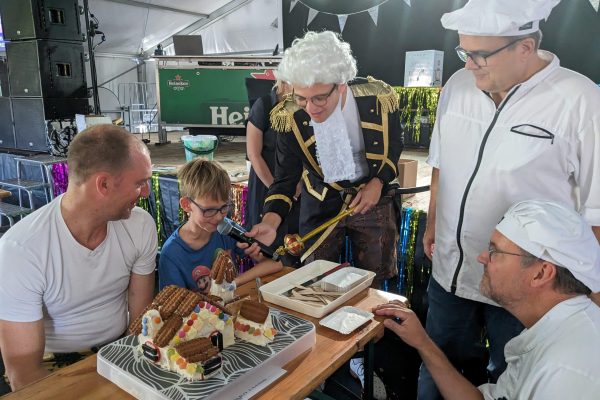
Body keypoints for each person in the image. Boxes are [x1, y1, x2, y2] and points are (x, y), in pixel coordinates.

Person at [421, 0, 600, 396]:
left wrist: (590, 303)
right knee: (438, 371)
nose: (469, 65)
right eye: (464, 52)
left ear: (526, 47)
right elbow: (441, 162)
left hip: (526, 289)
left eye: (480, 54)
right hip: (451, 271)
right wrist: (434, 221)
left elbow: (597, 210)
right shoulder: (457, 85)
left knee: (514, 382)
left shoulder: (579, 99)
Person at [376, 200, 600, 399]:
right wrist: (422, 342)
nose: (482, 257)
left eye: (495, 251)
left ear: (541, 273)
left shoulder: (567, 372)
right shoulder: (551, 330)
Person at [0, 124, 158, 391]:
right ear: (104, 184)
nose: (146, 193)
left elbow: (140, 321)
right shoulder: (20, 250)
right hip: (53, 368)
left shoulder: (140, 225)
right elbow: (24, 373)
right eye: (140, 183)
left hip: (119, 351)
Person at [245, 31, 403, 289]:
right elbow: (285, 179)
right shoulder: (289, 116)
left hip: (372, 195)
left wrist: (378, 182)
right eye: (301, 98)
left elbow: (395, 146)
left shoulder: (377, 97)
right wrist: (270, 221)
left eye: (320, 97)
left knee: (378, 279)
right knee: (313, 280)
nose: (310, 108)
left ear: (341, 84)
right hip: (320, 199)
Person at [158, 158, 283, 293]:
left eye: (224, 207)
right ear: (186, 205)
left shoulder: (226, 229)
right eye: (209, 210)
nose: (218, 217)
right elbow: (172, 307)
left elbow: (275, 263)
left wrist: (235, 282)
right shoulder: (171, 254)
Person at [245, 80, 301, 250]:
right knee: (266, 246)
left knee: (294, 246)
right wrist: (278, 191)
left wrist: (298, 186)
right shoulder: (264, 105)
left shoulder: (306, 106)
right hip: (267, 183)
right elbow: (254, 154)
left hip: (299, 185)